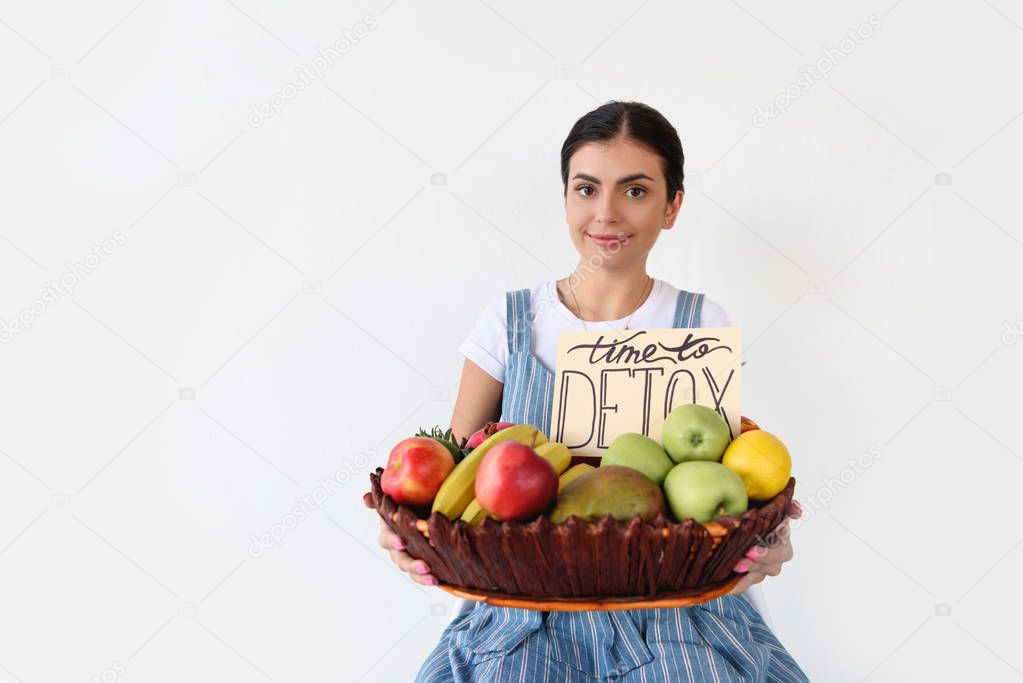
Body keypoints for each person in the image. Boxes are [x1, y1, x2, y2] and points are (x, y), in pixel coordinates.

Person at [375, 101, 808, 681]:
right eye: (586, 189)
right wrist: (407, 531)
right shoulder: (510, 322)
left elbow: (733, 472)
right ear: (565, 199)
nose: (606, 214)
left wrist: (771, 541)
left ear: (672, 206)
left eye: (635, 191)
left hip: (677, 612)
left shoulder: (701, 321)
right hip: (524, 617)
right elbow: (451, 475)